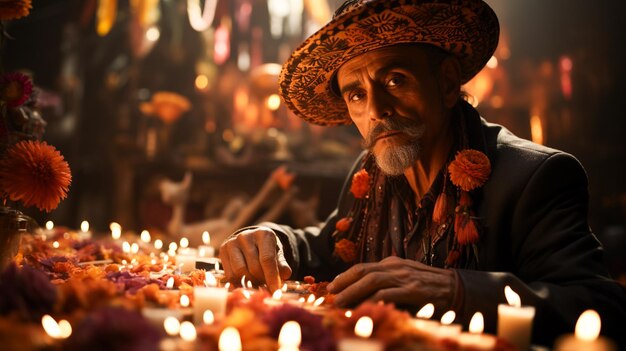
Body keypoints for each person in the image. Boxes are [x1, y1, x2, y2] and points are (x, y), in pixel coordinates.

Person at [219, 0, 626, 347]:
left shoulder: (534, 177)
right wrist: (274, 240)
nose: (376, 110)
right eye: (356, 95)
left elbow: (601, 308)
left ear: (448, 83)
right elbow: (326, 249)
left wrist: (455, 290)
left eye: (395, 79)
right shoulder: (369, 177)